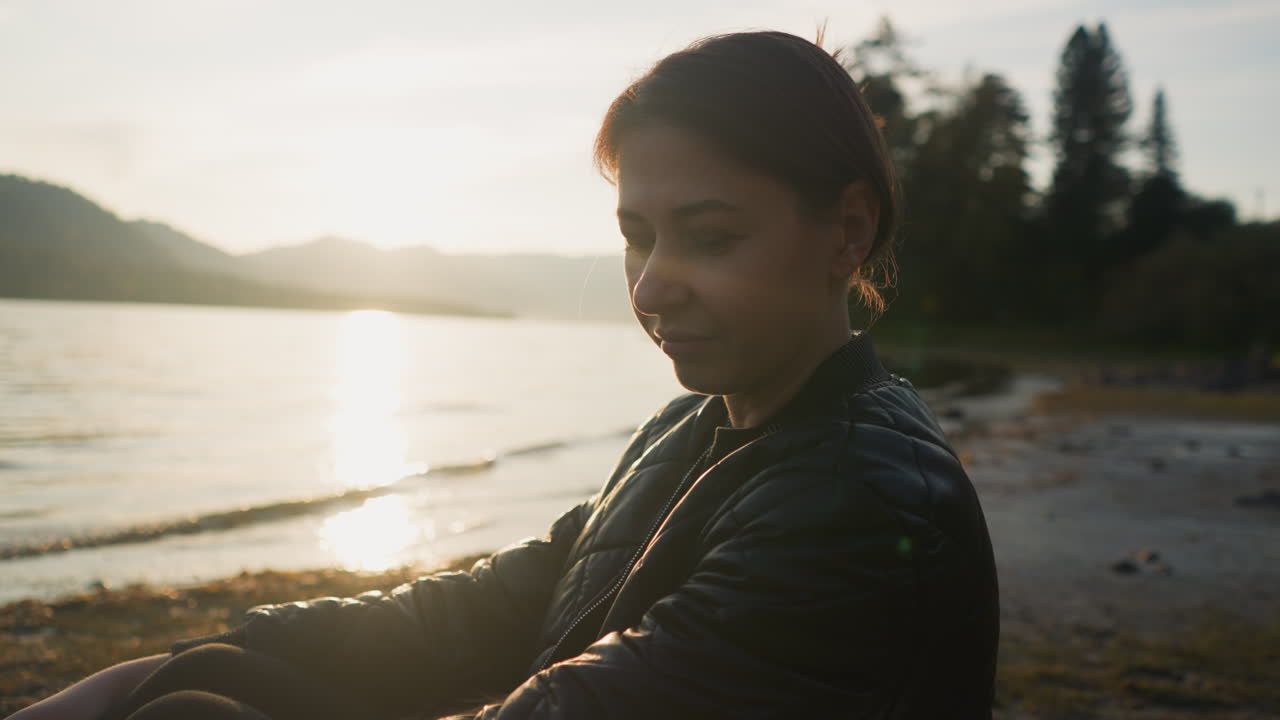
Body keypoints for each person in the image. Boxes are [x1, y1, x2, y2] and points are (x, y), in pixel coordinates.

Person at [12, 30, 999, 720]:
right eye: (636, 237)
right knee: (199, 685)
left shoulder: (859, 508)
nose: (652, 287)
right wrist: (188, 656)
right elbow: (502, 605)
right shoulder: (693, 428)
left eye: (710, 237)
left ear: (846, 231)